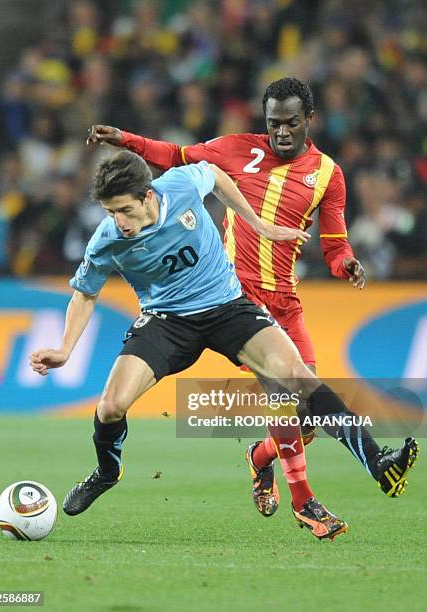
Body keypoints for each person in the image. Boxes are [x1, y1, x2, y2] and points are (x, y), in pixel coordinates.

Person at [85, 77, 419, 515]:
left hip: (286, 298)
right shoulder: (234, 148)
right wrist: (126, 140)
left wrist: (346, 264)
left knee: (309, 415)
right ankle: (318, 494)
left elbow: (335, 242)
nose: (281, 132)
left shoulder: (328, 175)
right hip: (235, 295)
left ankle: (259, 459)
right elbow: (176, 157)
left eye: (291, 124)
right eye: (274, 123)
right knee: (287, 395)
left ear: (309, 121)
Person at [29, 150, 361, 541]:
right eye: (109, 212)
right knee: (111, 405)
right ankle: (107, 471)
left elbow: (217, 174)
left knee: (294, 391)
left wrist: (256, 224)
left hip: (224, 308)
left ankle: (297, 489)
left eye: (122, 210)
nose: (117, 222)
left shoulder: (182, 186)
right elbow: (84, 293)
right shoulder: (107, 240)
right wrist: (66, 349)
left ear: (147, 196)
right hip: (165, 321)